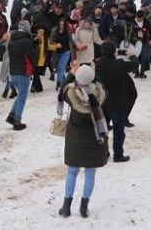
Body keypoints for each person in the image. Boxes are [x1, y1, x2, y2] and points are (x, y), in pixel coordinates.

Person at [57, 64, 109, 218]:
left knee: (72, 172)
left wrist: (72, 73)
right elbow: (104, 87)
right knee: (90, 173)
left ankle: (66, 207)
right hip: (94, 140)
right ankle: (84, 207)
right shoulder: (100, 94)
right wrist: (94, 73)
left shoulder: (71, 94)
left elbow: (63, 88)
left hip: (75, 140)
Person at [95, 41, 137, 162]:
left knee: (102, 129)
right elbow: (135, 65)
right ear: (114, 51)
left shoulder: (97, 64)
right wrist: (131, 55)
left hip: (103, 101)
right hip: (118, 102)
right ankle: (118, 154)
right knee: (119, 131)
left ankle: (103, 152)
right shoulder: (118, 64)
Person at [5, 20, 37, 130]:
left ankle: (12, 115)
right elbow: (32, 56)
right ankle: (17, 120)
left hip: (13, 71)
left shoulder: (12, 40)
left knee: (20, 95)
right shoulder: (26, 41)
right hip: (23, 71)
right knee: (22, 96)